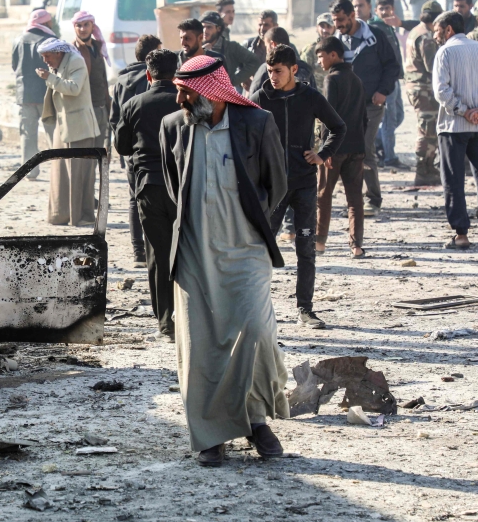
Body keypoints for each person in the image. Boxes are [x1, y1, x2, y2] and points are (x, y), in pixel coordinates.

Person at [159, 55, 288, 467]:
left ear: (211, 91)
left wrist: (250, 224)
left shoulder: (256, 123)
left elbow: (277, 183)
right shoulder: (173, 128)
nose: (179, 98)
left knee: (254, 332)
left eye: (186, 91)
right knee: (200, 346)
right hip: (196, 254)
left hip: (246, 251)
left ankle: (254, 419)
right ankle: (210, 435)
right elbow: (171, 184)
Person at [250, 45, 346, 329]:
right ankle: (258, 309)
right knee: (262, 249)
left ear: (293, 69)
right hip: (273, 188)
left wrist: (322, 155)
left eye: (278, 71)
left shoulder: (310, 97)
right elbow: (243, 133)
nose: (273, 77)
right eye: (269, 71)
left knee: (306, 248)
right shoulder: (260, 98)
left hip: (304, 183)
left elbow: (339, 127)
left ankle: (305, 309)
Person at [114, 48, 181, 338]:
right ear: (176, 72)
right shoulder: (185, 102)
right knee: (188, 252)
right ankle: (191, 315)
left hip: (149, 186)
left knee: (157, 254)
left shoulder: (134, 104)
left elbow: (123, 147)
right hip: (182, 187)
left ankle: (165, 321)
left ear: (148, 74)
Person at [432, 10, 478, 250]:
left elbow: (441, 91)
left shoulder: (445, 52)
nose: (435, 35)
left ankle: (461, 235)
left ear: (448, 29)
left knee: (453, 180)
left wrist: (464, 111)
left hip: (453, 126)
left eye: (437, 30)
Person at [331, 0, 399, 216]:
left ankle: (373, 200)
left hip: (371, 103)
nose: (338, 25)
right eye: (335, 21)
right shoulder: (336, 40)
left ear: (352, 15)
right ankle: (354, 201)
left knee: (364, 148)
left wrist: (383, 91)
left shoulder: (375, 36)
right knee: (346, 152)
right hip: (345, 106)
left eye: (341, 20)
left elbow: (392, 66)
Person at [111, 34, 163, 268]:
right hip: (153, 147)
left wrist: (126, 143)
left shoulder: (121, 81)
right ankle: (155, 250)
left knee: (133, 198)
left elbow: (114, 119)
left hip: (131, 149)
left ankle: (138, 252)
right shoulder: (153, 79)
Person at [314, 36, 368, 259]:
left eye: (321, 56)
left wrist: (326, 149)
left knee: (323, 195)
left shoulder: (331, 80)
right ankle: (356, 246)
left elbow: (329, 117)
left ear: (333, 55)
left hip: (335, 149)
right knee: (355, 199)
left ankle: (319, 243)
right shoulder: (356, 79)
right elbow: (364, 118)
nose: (319, 61)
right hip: (357, 146)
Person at [38, 38, 100, 226]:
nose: (45, 61)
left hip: (79, 127)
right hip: (63, 125)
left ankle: (81, 216)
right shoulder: (59, 63)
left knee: (78, 173)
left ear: (58, 53)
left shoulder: (76, 62)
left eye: (47, 56)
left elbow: (73, 88)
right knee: (61, 172)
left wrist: (49, 78)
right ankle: (61, 214)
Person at [404, 0, 444, 186]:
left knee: (428, 128)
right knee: (427, 130)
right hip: (424, 89)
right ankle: (422, 169)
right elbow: (432, 66)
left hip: (416, 87)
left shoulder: (415, 31)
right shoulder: (427, 36)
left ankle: (428, 166)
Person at [12, 9, 56, 180]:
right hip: (46, 95)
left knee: (28, 135)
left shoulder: (18, 41)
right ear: (45, 23)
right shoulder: (51, 41)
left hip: (25, 95)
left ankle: (30, 172)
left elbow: (14, 66)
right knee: (54, 135)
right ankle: (58, 170)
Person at [367, 0, 407, 168]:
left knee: (398, 115)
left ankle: (377, 144)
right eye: (381, 9)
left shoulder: (390, 26)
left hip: (395, 78)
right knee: (389, 118)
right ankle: (389, 157)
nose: (384, 11)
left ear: (393, 9)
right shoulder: (375, 28)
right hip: (385, 80)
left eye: (387, 8)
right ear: (376, 10)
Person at [71, 11, 112, 152]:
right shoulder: (73, 51)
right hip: (85, 109)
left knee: (100, 151)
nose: (82, 29)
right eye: (79, 25)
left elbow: (102, 78)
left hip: (101, 107)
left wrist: (108, 104)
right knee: (86, 153)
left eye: (86, 25)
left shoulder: (99, 47)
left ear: (92, 26)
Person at [246, 27, 317, 95]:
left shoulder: (266, 69)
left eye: (266, 46)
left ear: (272, 44)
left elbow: (253, 99)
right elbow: (315, 98)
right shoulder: (306, 68)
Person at [200, 11, 261, 89]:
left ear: (218, 28)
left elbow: (254, 61)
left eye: (209, 27)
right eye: (203, 27)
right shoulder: (197, 46)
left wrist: (234, 80)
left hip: (223, 95)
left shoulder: (231, 47)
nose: (205, 31)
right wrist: (202, 53)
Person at [300, 13, 335, 90]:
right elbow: (302, 77)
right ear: (317, 28)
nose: (325, 30)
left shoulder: (340, 49)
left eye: (329, 26)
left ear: (334, 28)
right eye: (322, 26)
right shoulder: (310, 50)